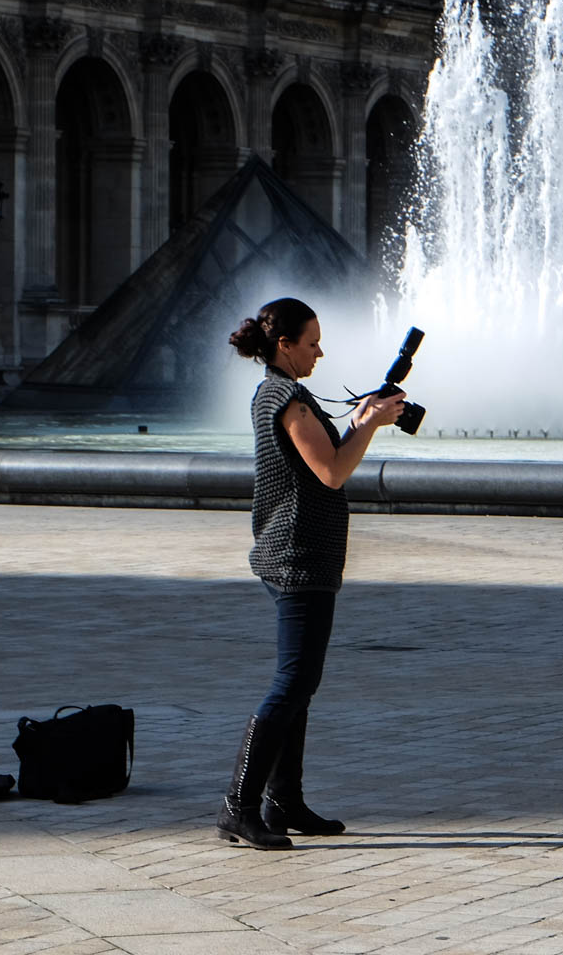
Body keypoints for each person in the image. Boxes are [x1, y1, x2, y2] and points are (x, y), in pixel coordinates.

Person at [218, 298, 406, 851]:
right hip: (297, 556)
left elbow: (320, 457)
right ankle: (238, 807)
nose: (320, 352)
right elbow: (331, 471)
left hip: (301, 554)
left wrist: (358, 422)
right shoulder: (286, 398)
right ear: (285, 345)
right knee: (294, 681)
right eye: (312, 342)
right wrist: (370, 425)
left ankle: (284, 801)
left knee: (300, 681)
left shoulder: (281, 394)